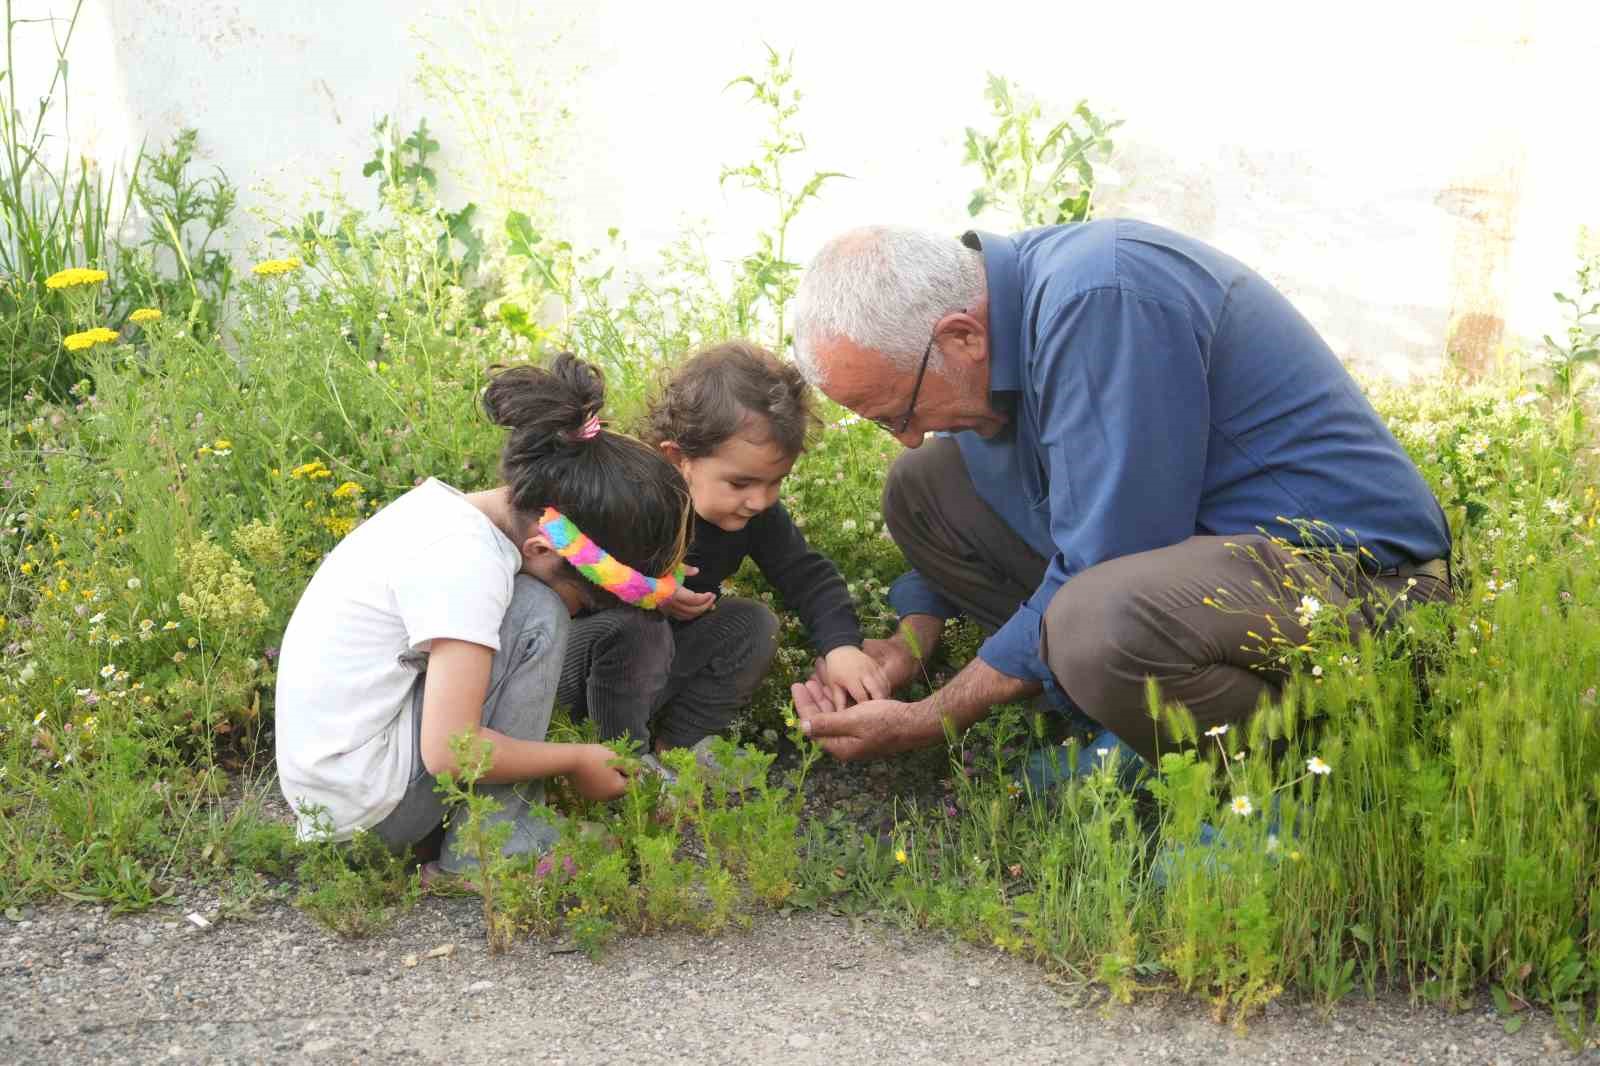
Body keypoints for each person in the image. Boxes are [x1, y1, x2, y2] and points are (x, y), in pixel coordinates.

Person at [787, 221, 1453, 769]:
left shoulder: (1102, 300)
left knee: (1091, 621)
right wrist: (911, 639)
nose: (905, 435)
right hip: (1209, 581)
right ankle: (1127, 716)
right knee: (922, 486)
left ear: (963, 336)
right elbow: (1058, 518)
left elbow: (1104, 558)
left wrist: (929, 718)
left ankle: (1274, 783)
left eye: (897, 411)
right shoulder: (1000, 326)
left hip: (1363, 593)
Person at [274, 352, 690, 875]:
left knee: (532, 602)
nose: (580, 610)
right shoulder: (466, 564)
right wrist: (577, 759)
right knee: (538, 610)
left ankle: (457, 833)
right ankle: (495, 843)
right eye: (583, 597)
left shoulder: (451, 521)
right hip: (367, 819)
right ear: (543, 547)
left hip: (344, 798)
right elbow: (452, 751)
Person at [556, 340, 888, 762]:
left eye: (775, 482)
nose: (760, 500)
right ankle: (626, 766)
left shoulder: (756, 515)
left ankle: (680, 751)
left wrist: (841, 647)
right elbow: (567, 571)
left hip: (656, 671)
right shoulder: (630, 499)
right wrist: (647, 591)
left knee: (753, 624)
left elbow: (807, 576)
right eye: (741, 483)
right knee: (639, 628)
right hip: (582, 673)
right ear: (678, 459)